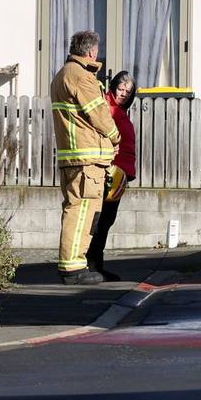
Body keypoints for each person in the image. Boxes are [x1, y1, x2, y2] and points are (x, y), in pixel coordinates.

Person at [50, 30, 121, 285]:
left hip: (75, 157)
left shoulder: (63, 75)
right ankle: (73, 267)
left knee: (77, 209)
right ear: (91, 52)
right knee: (81, 211)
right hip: (86, 159)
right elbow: (99, 115)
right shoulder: (81, 77)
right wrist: (115, 137)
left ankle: (75, 263)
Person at [87, 71, 137, 281]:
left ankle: (97, 264)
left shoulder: (120, 111)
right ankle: (92, 265)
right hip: (108, 171)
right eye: (121, 89)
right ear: (114, 86)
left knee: (107, 219)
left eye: (128, 91)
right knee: (100, 219)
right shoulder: (106, 108)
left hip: (118, 173)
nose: (123, 94)